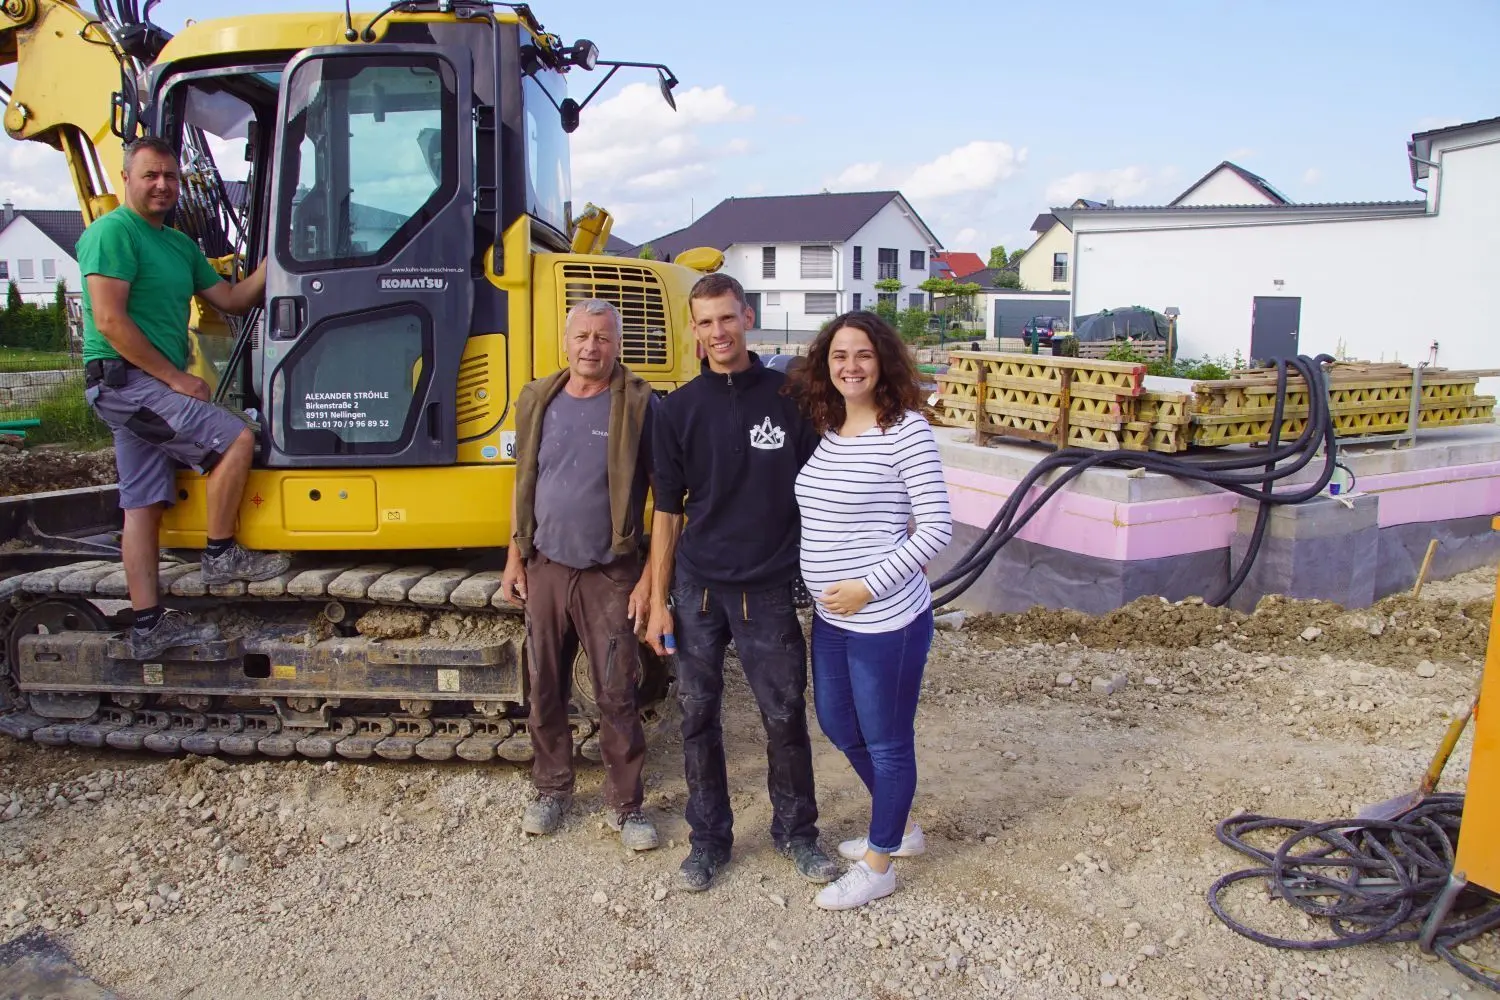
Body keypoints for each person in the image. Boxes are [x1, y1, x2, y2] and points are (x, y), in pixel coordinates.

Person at [645, 272, 840, 892]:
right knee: (698, 717)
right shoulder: (675, 410)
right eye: (705, 322)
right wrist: (657, 600)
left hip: (769, 588)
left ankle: (797, 834)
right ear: (694, 331)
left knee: (783, 717)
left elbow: (824, 489)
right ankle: (708, 841)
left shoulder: (791, 399)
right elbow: (667, 512)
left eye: (726, 318)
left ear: (747, 318)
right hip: (697, 590)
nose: (717, 332)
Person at [77, 135, 288, 660]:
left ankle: (148, 626)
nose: (162, 185)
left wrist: (278, 257)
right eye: (150, 175)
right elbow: (109, 320)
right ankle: (220, 555)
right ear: (125, 177)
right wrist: (174, 378)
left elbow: (234, 298)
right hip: (125, 382)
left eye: (170, 176)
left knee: (143, 503)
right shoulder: (112, 234)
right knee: (235, 438)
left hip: (138, 387)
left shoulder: (177, 245)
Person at [789, 309, 953, 910]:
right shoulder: (829, 427)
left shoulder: (905, 430)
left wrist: (867, 586)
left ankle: (882, 862)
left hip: (887, 620)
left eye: (861, 354)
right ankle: (900, 823)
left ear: (882, 361)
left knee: (887, 740)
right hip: (833, 617)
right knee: (837, 723)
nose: (850, 366)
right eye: (838, 355)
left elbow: (936, 529)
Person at [500, 298, 660, 851]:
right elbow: (524, 482)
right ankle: (551, 789)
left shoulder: (639, 404)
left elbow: (667, 498)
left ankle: (627, 805)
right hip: (545, 566)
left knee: (616, 691)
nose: (592, 347)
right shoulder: (539, 399)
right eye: (582, 337)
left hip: (608, 571)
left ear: (618, 344)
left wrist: (649, 579)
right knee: (543, 684)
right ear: (566, 341)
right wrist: (515, 555)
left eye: (603, 337)